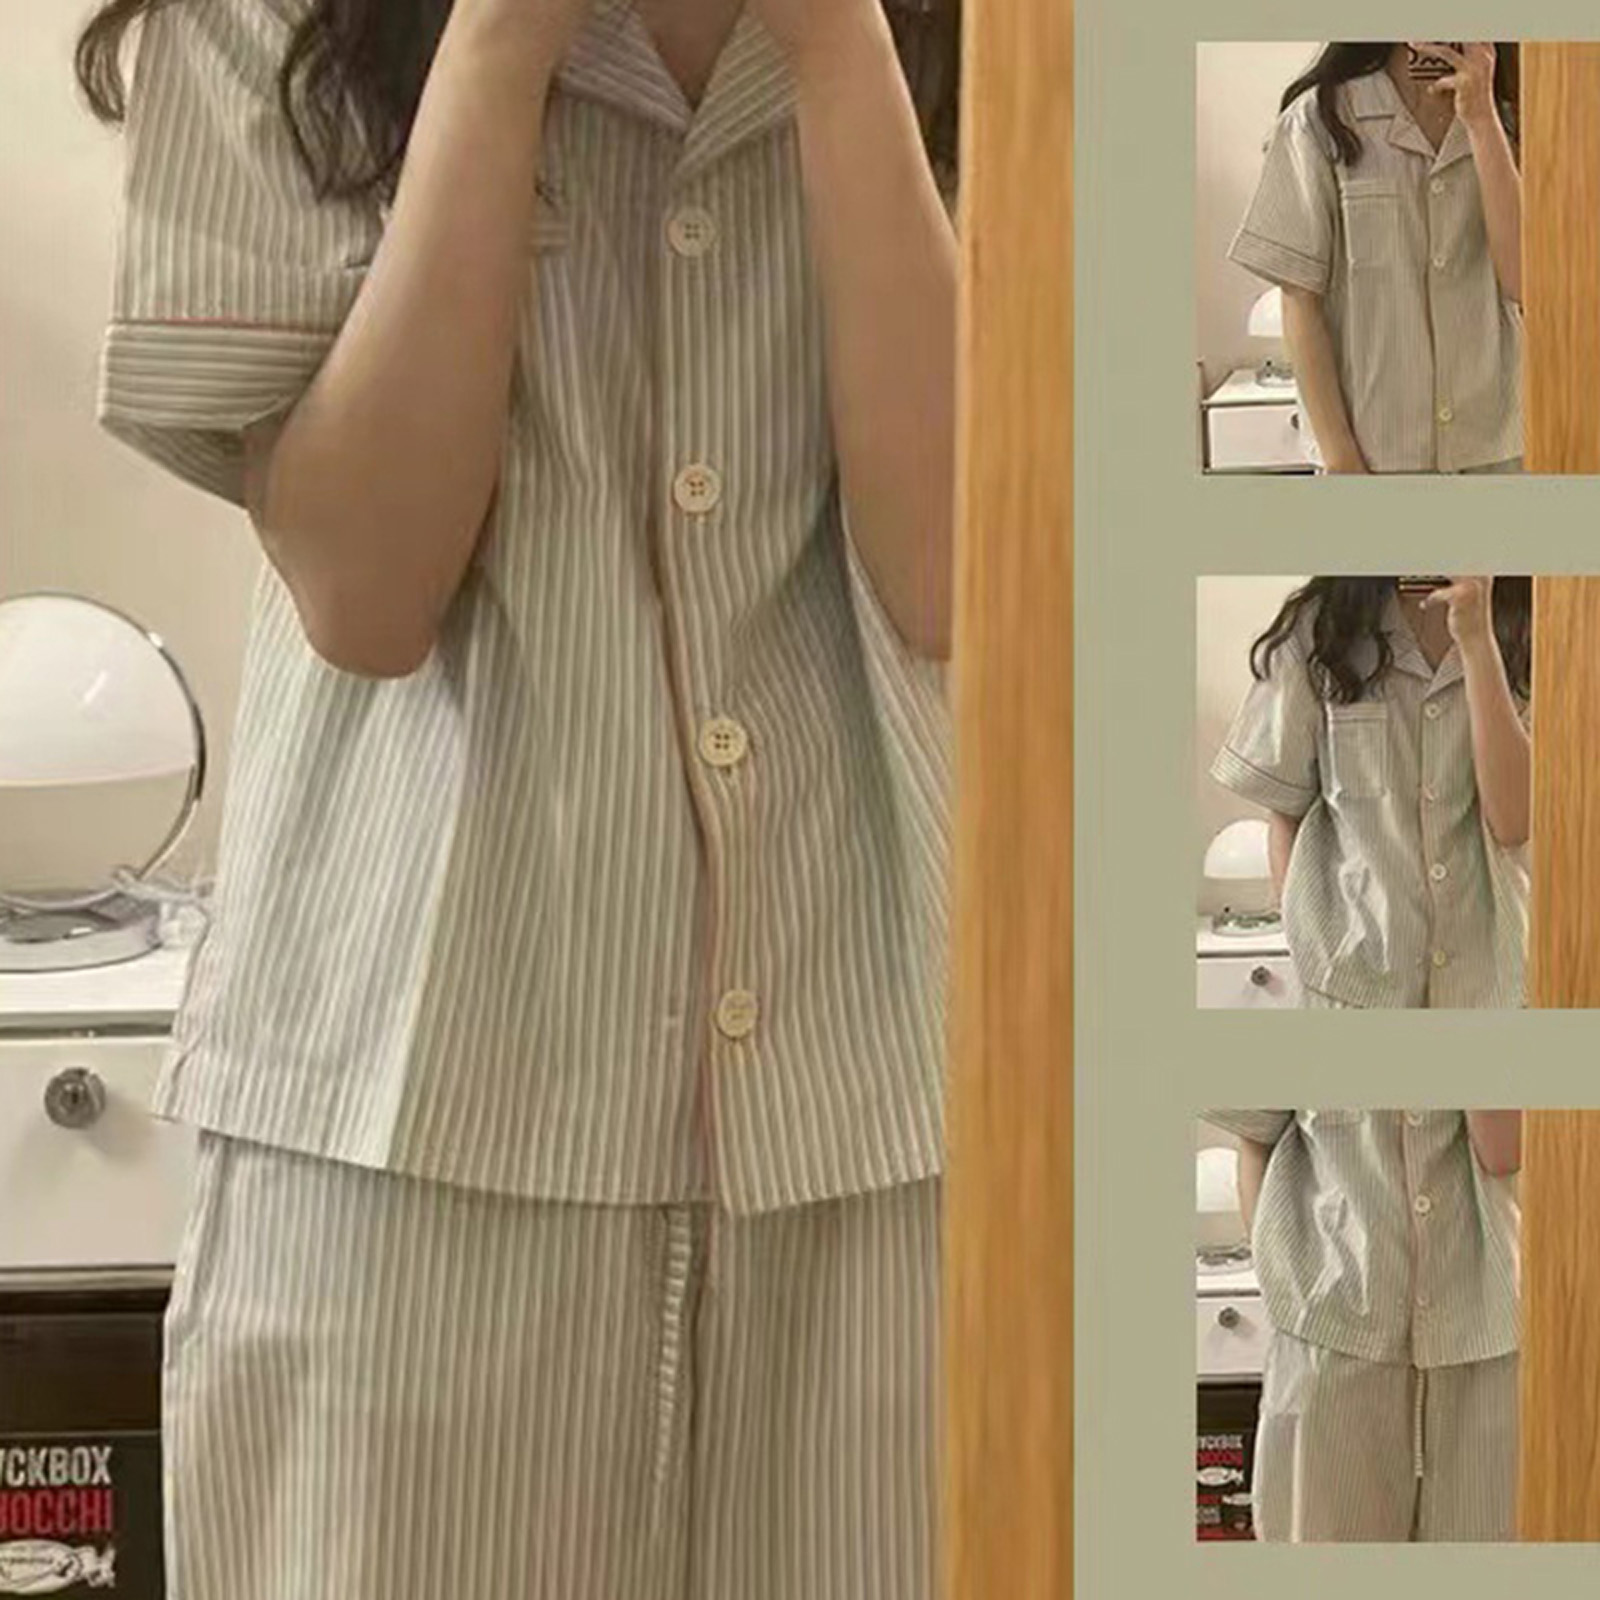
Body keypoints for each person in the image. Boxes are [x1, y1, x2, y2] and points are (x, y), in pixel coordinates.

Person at [74, 0, 959, 1594]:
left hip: (889, 1127)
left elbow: (960, 569)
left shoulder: (1023, 42)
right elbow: (366, 588)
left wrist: (842, 46)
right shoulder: (266, 20)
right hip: (412, 1142)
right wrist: (495, 48)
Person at [1210, 577, 1531, 1008]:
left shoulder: (1530, 625)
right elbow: (1286, 814)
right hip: (1349, 987)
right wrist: (1309, 948)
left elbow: (1514, 822)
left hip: (1489, 982)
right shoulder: (1318, 629)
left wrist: (1478, 642)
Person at [1204, 1109, 1522, 1542]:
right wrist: (1283, 1281)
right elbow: (1256, 1143)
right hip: (1328, 1335)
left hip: (1482, 1328)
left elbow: (1504, 1152)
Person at [1229, 43, 1522, 474]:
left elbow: (1524, 281)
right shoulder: (1319, 121)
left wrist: (1482, 121)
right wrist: (1342, 459)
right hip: (1373, 456)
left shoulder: (1517, 121)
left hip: (1496, 453)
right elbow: (1300, 299)